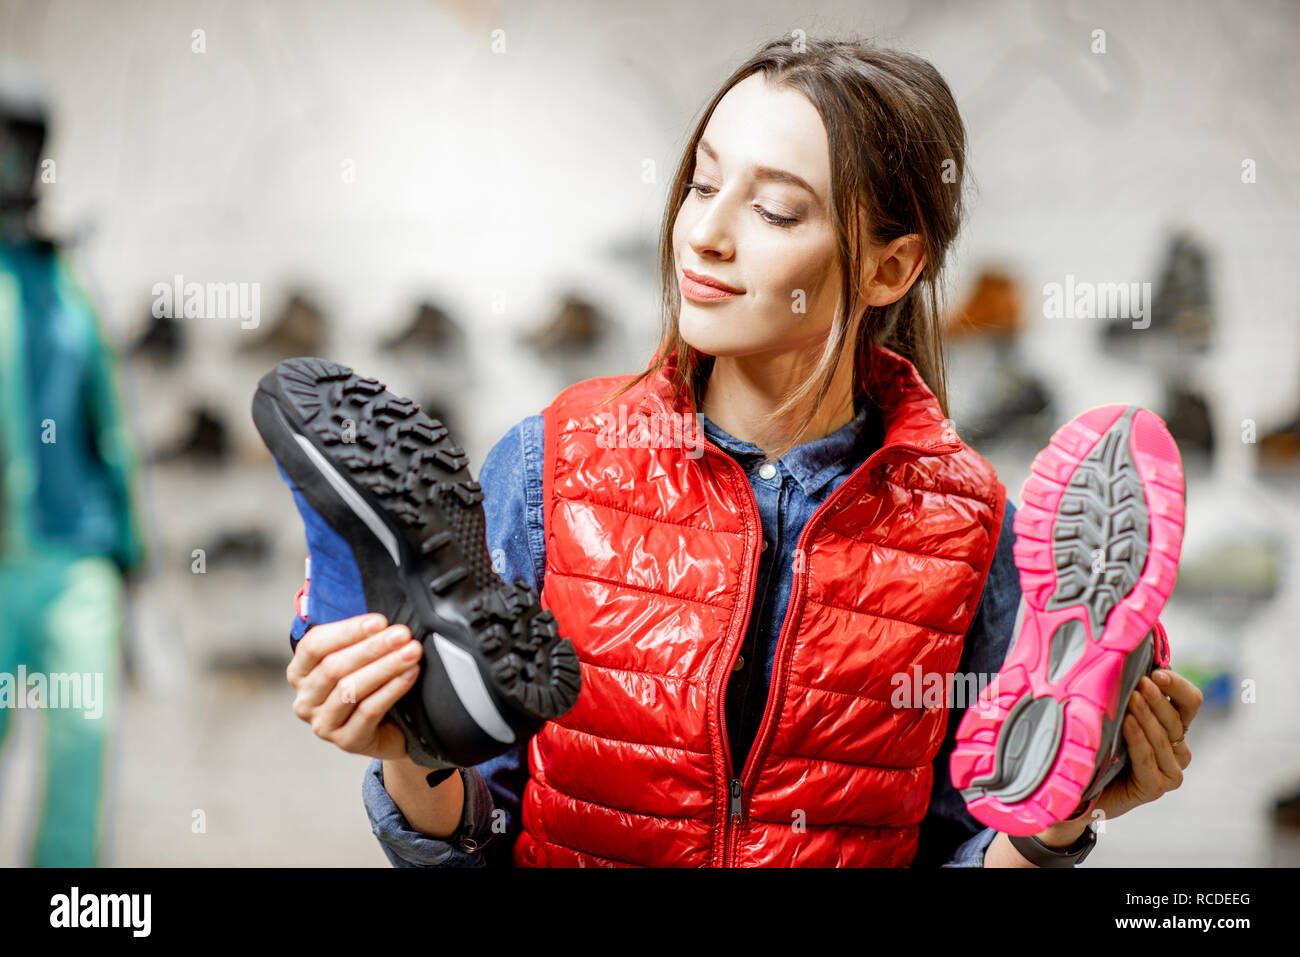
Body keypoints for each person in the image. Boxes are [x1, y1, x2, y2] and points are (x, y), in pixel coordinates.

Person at [284, 36, 1201, 867]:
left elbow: (957, 852)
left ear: (891, 267)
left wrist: (1058, 823)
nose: (704, 234)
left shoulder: (972, 529)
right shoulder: (551, 464)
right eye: (701, 183)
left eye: (772, 209)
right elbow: (484, 833)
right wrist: (413, 751)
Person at [0, 58, 146, 866]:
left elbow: (111, 417)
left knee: (84, 738)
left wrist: (139, 554)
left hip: (76, 549)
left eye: (18, 142)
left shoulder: (63, 270)